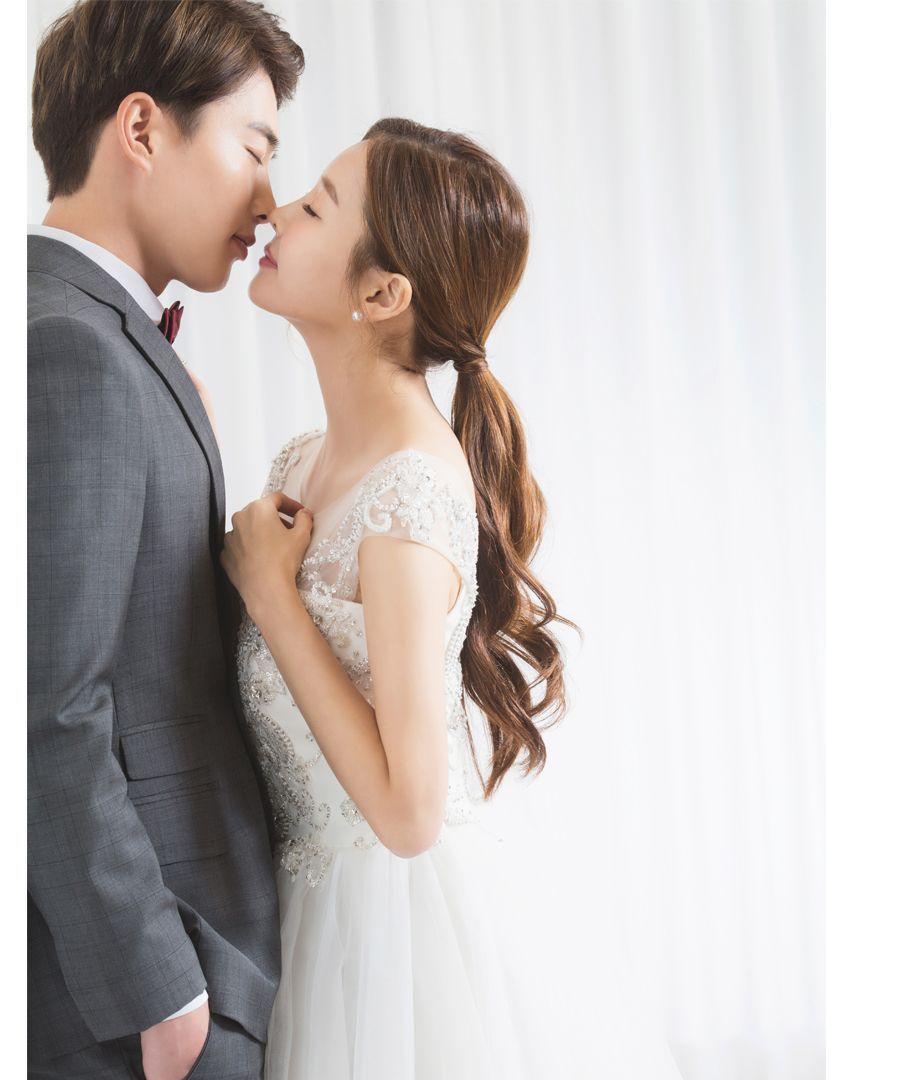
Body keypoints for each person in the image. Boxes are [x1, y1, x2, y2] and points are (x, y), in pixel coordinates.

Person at [222, 117, 685, 1078]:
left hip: (387, 952)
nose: (275, 206)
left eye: (316, 205)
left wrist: (273, 598)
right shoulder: (303, 460)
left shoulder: (412, 494)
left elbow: (408, 814)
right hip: (303, 920)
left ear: (382, 293)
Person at [27, 3, 305, 1077]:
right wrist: (161, 988)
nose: (270, 196)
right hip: (146, 997)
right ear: (141, 130)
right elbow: (45, 700)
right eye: (253, 145)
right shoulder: (70, 350)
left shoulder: (89, 331)